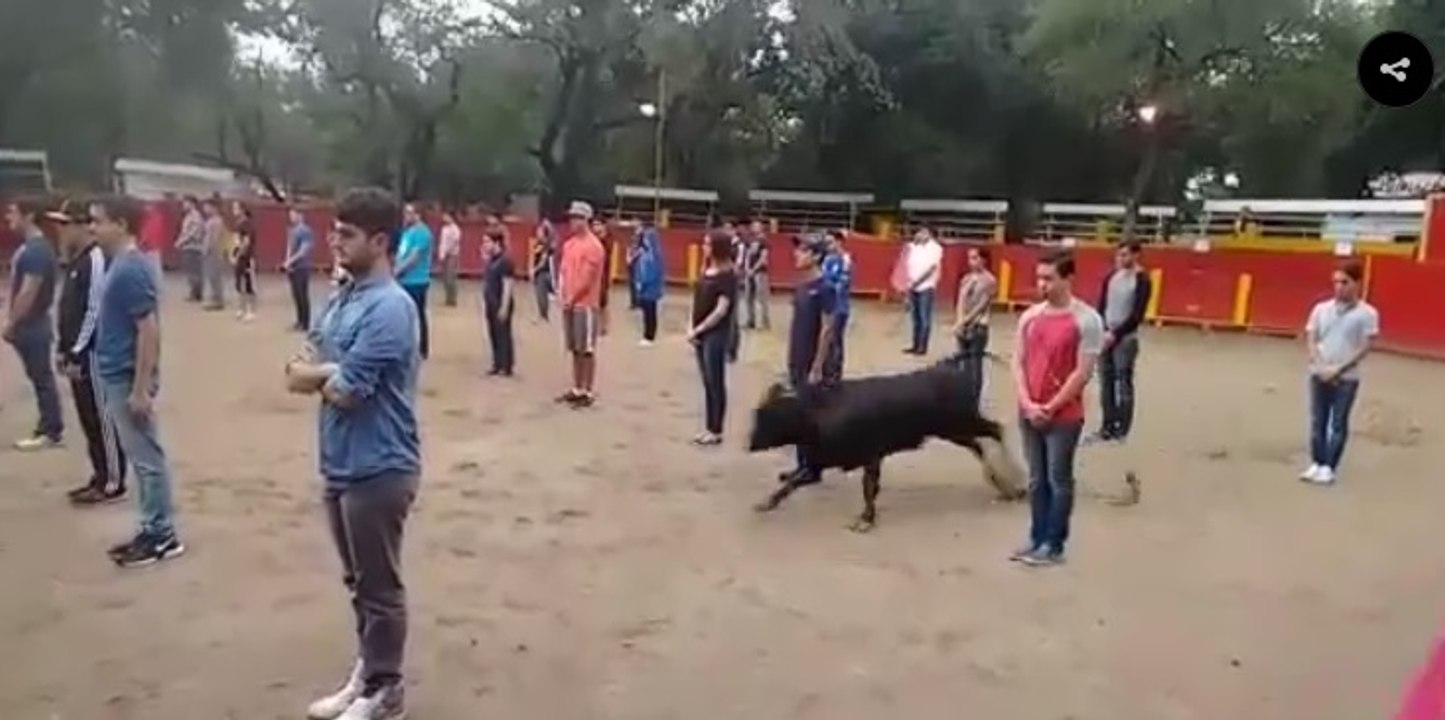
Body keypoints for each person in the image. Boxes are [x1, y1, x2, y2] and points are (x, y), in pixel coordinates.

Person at [285, 187, 420, 720]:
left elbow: (347, 389)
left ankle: (387, 690)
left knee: (379, 585)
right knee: (357, 580)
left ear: (380, 241)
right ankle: (368, 673)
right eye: (334, 230)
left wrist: (319, 374)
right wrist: (323, 372)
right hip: (340, 461)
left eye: (347, 234)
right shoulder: (343, 298)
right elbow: (305, 363)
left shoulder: (392, 307)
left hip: (381, 465)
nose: (334, 241)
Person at [89, 194, 186, 568]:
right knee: (142, 456)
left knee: (147, 458)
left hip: (127, 374)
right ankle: (152, 528)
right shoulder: (121, 265)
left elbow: (149, 330)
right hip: (117, 370)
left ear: (121, 225)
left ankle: (161, 535)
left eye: (99, 221)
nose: (93, 228)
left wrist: (141, 388)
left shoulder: (130, 269)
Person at [1010, 250, 1103, 568]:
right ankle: (1037, 538)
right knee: (1037, 479)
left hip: (1063, 415)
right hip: (1030, 410)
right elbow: (1018, 362)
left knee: (1058, 479)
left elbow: (1083, 371)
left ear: (1068, 279)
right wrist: (1027, 402)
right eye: (1039, 278)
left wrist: (1049, 406)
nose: (1042, 284)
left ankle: (1054, 544)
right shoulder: (1030, 317)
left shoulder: (1087, 320)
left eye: (1049, 278)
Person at [50, 199, 127, 505]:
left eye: (66, 224)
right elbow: (68, 311)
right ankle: (100, 474)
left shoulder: (94, 260)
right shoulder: (76, 262)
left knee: (101, 416)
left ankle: (112, 480)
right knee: (87, 416)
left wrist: (78, 350)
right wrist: (63, 348)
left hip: (92, 353)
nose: (61, 231)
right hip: (77, 351)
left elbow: (94, 310)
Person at [1300, 260, 1379, 486]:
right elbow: (1312, 338)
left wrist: (1338, 368)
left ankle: (1329, 466)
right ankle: (1317, 462)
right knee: (1317, 420)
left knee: (1338, 422)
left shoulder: (1368, 314)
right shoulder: (1321, 309)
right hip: (1319, 372)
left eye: (1345, 282)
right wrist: (1321, 365)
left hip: (1347, 376)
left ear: (1357, 283)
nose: (1339, 287)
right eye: (1336, 282)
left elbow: (1365, 346)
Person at [776, 234, 842, 485]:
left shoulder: (824, 288)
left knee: (811, 415)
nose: (797, 254)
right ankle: (805, 464)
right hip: (798, 355)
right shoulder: (802, 285)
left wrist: (817, 364)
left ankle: (812, 467)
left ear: (816, 256)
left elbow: (828, 327)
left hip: (812, 359)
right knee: (801, 412)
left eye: (804, 251)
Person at [4, 197, 64, 450]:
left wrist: (12, 322)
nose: (9, 218)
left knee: (42, 378)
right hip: (34, 323)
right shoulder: (34, 248)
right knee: (40, 376)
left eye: (13, 212)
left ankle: (50, 429)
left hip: (32, 324)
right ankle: (49, 426)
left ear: (28, 216)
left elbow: (29, 291)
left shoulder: (36, 250)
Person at [1092, 240, 1153, 443]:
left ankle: (1122, 429)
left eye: (1126, 255)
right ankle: (1107, 426)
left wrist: (1115, 334)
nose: (1121, 258)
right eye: (1120, 255)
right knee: (1105, 382)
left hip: (1125, 337)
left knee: (1123, 383)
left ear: (1136, 255)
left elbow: (1137, 314)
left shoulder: (1142, 279)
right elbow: (1102, 305)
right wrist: (1102, 329)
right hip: (1107, 333)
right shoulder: (1111, 277)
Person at [686, 231, 738, 445]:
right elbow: (697, 301)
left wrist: (698, 329)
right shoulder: (706, 270)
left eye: (707, 244)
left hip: (715, 333)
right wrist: (691, 326)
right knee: (708, 381)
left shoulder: (728, 275)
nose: (704, 247)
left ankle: (716, 429)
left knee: (715, 381)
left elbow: (721, 310)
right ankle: (710, 426)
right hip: (701, 330)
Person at [555, 201, 606, 408]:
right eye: (572, 217)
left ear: (586, 220)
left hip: (585, 304)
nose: (573, 222)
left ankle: (587, 390)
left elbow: (587, 278)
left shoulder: (594, 247)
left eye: (577, 218)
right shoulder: (569, 244)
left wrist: (572, 298)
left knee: (587, 349)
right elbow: (563, 271)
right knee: (575, 348)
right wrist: (562, 294)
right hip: (570, 302)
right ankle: (577, 387)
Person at [949, 246, 998, 409]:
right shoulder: (966, 278)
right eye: (970, 258)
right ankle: (962, 398)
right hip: (963, 324)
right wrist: (959, 320)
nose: (972, 261)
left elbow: (982, 305)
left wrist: (964, 321)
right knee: (963, 363)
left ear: (984, 260)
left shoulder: (990, 280)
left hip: (978, 325)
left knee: (975, 365)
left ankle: (973, 401)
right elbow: (960, 301)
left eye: (975, 258)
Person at [395, 203, 434, 359]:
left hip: (416, 280)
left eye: (409, 213)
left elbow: (414, 257)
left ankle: (421, 348)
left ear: (418, 215)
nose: (406, 215)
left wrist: (397, 271)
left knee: (417, 314)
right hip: (404, 280)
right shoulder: (407, 232)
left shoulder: (423, 233)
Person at [481, 229, 516, 377]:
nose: (484, 245)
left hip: (501, 301)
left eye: (487, 241)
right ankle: (497, 363)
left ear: (496, 243)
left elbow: (508, 284)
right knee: (493, 333)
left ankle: (506, 365)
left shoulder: (505, 261)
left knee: (503, 334)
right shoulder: (491, 260)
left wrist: (504, 305)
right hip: (491, 301)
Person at [904, 227, 942, 355]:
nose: (919, 235)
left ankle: (922, 346)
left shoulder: (935, 248)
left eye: (923, 232)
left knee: (924, 317)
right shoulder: (914, 247)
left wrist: (917, 282)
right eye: (918, 232)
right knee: (915, 318)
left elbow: (931, 268)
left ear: (929, 234)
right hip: (913, 285)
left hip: (926, 285)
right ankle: (915, 344)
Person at [821, 229, 853, 376]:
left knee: (835, 339)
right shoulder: (827, 259)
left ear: (839, 242)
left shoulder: (845, 259)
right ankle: (826, 369)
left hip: (839, 306)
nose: (827, 245)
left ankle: (835, 373)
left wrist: (827, 286)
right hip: (826, 305)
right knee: (826, 338)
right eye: (826, 242)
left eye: (830, 242)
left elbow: (843, 283)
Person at [283, 207, 316, 331]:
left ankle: (305, 323)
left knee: (302, 294)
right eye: (290, 215)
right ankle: (299, 320)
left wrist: (290, 261)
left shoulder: (305, 231)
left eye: (293, 215)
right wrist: (287, 261)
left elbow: (304, 250)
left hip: (302, 266)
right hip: (293, 267)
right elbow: (289, 247)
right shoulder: (292, 230)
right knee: (296, 294)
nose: (291, 217)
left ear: (300, 215)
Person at [632, 223, 664, 346]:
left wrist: (642, 282)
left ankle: (649, 336)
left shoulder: (652, 255)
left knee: (650, 312)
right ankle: (648, 335)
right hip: (646, 286)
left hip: (650, 287)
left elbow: (652, 271)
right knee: (647, 311)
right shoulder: (646, 253)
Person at [231, 203, 258, 322]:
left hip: (246, 258)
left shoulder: (247, 224)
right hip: (238, 257)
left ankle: (251, 310)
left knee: (248, 284)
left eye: (236, 208)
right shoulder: (238, 224)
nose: (233, 210)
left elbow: (246, 242)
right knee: (239, 284)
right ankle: (241, 309)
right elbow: (236, 241)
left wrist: (238, 255)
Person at [742, 219, 771, 330]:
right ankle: (751, 320)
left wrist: (753, 270)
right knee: (748, 297)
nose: (755, 228)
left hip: (760, 272)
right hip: (749, 272)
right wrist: (747, 269)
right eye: (753, 226)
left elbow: (763, 258)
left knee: (761, 298)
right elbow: (746, 256)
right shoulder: (749, 240)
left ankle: (763, 322)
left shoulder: (764, 241)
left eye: (757, 226)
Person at [176, 196, 205, 302]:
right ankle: (195, 292)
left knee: (193, 270)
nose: (184, 205)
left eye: (186, 203)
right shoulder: (189, 216)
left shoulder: (195, 216)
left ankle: (196, 293)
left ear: (192, 204)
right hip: (189, 246)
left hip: (193, 246)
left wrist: (181, 241)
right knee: (191, 270)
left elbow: (193, 232)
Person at [200, 198, 228, 311]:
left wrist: (207, 250)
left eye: (207, 207)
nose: (205, 209)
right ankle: (215, 298)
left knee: (214, 276)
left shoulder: (216, 221)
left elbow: (214, 238)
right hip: (212, 251)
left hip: (214, 252)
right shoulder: (213, 220)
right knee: (212, 276)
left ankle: (218, 300)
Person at [591, 217, 616, 336]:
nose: (595, 227)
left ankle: (604, 326)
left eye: (598, 224)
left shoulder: (606, 239)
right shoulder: (592, 238)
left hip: (603, 274)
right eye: (594, 224)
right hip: (593, 274)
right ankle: (596, 325)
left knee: (603, 302)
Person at [530, 220, 557, 321]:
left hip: (544, 272)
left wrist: (534, 270)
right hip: (540, 271)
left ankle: (543, 315)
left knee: (542, 294)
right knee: (541, 294)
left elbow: (543, 260)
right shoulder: (538, 244)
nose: (537, 233)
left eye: (540, 231)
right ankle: (543, 314)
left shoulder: (547, 245)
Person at [438, 211, 462, 307]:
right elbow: (442, 243)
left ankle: (453, 298)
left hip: (452, 254)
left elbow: (455, 241)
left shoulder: (455, 229)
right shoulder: (444, 229)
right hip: (444, 254)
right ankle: (448, 297)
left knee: (451, 277)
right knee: (445, 277)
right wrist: (441, 254)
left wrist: (447, 251)